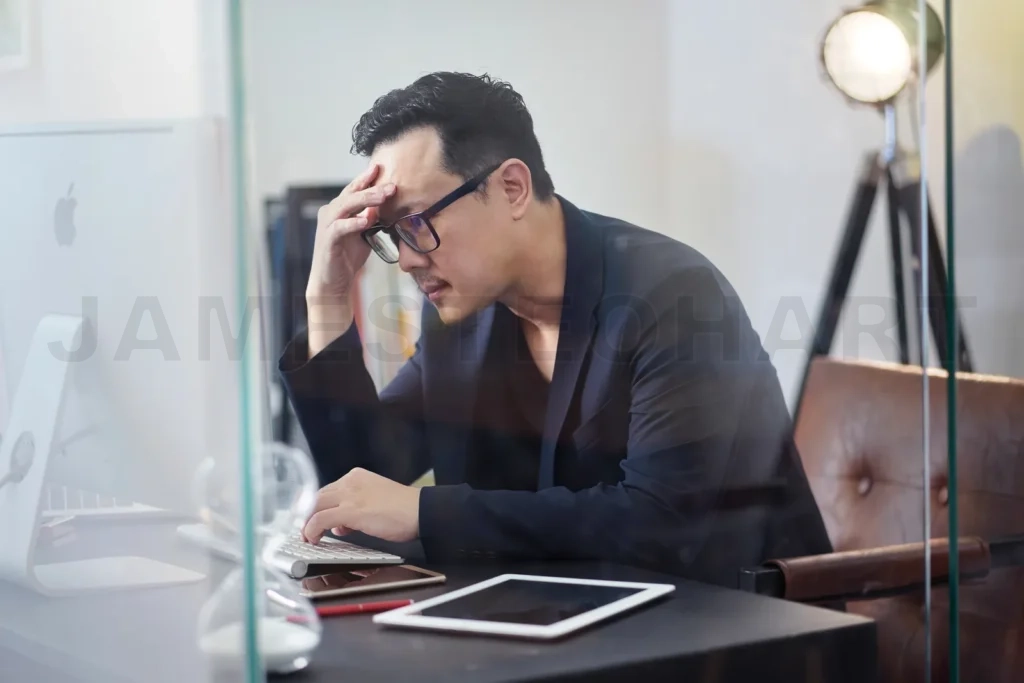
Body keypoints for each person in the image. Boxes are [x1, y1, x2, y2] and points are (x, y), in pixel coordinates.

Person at [280, 71, 831, 584]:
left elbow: (660, 524)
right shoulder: (463, 314)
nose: (404, 258)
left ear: (513, 188)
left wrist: (425, 512)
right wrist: (326, 299)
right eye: (392, 235)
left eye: (417, 224)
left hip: (734, 626)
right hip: (555, 616)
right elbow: (368, 481)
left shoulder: (675, 294)